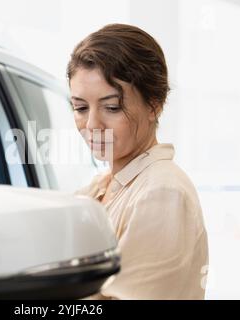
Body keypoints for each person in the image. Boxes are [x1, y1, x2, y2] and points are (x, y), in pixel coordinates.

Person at [68, 23, 209, 299]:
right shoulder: (100, 187)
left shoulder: (162, 191)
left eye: (111, 107)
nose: (92, 124)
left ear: (154, 104)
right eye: (81, 108)